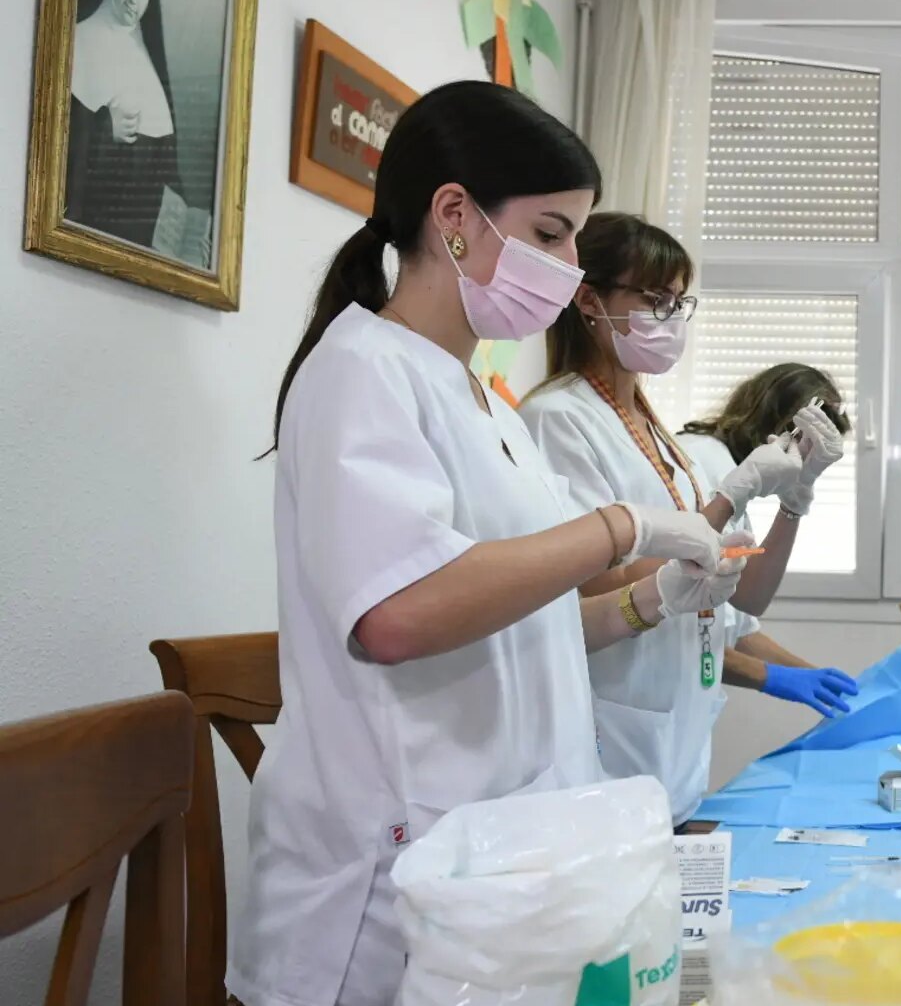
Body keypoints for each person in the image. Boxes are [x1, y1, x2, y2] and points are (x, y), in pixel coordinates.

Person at [232, 82, 746, 1006]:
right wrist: (617, 529)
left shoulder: (483, 403)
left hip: (502, 868)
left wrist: (647, 600)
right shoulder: (362, 372)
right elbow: (397, 616)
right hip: (390, 884)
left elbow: (521, 626)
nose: (569, 264)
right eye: (551, 234)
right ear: (456, 216)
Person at [520, 213, 858, 828]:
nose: (670, 318)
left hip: (676, 734)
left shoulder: (659, 436)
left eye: (679, 302)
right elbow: (589, 587)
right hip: (612, 723)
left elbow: (745, 595)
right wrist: (734, 492)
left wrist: (795, 500)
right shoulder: (557, 418)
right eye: (655, 299)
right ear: (589, 299)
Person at [676, 362, 860, 699]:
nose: (807, 460)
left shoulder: (733, 471)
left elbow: (745, 610)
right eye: (808, 447)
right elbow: (680, 614)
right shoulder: (698, 462)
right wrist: (772, 677)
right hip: (643, 705)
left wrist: (814, 676)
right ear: (780, 425)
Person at [67, 0, 205, 262]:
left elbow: (166, 177)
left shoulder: (147, 62)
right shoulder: (78, 42)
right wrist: (103, 128)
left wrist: (192, 237)